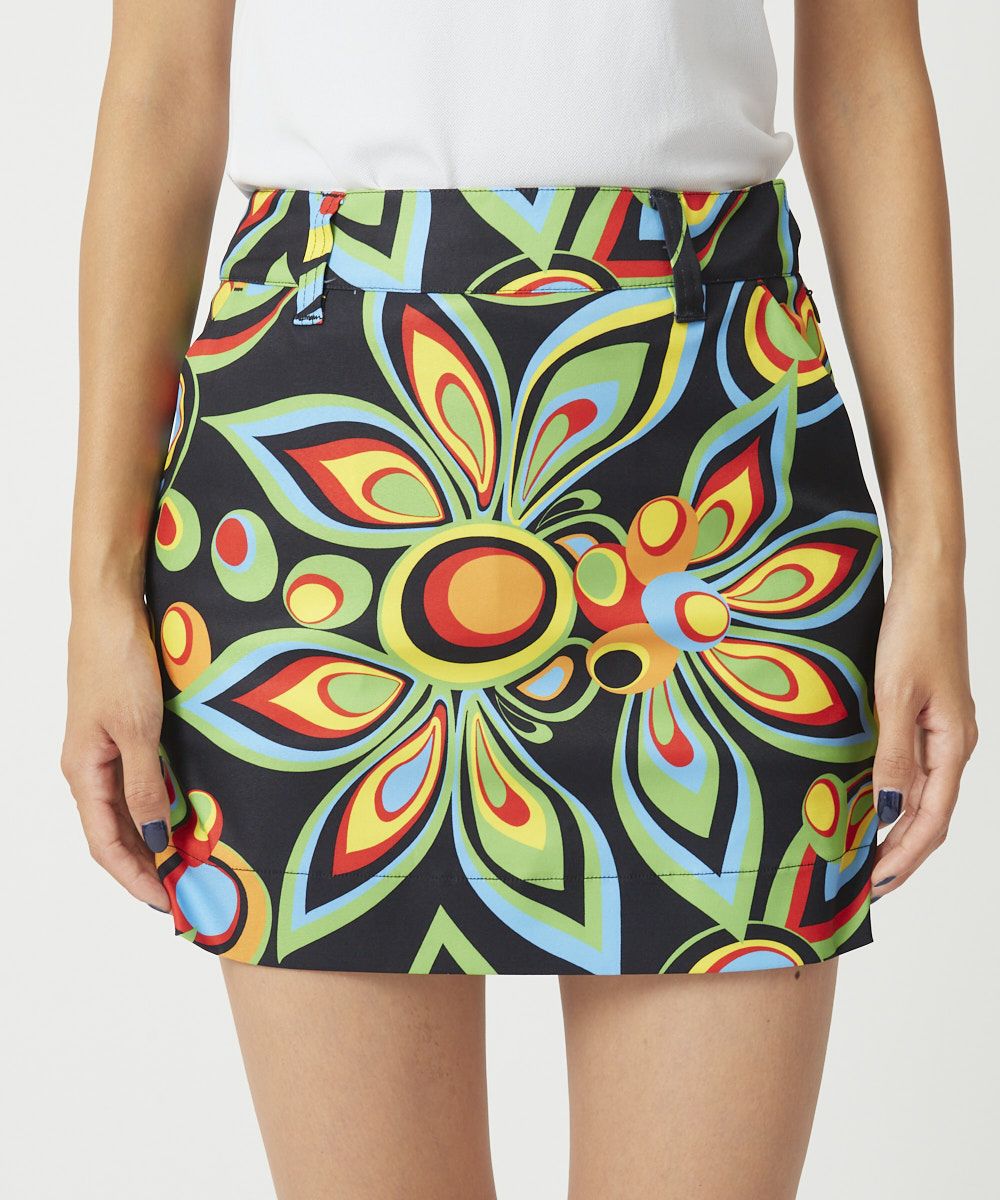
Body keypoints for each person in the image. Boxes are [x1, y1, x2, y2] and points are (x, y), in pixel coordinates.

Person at [62, 2, 977, 1197]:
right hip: (324, 467)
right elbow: (161, 92)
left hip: (715, 470)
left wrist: (936, 563)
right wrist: (96, 590)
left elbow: (867, 75)